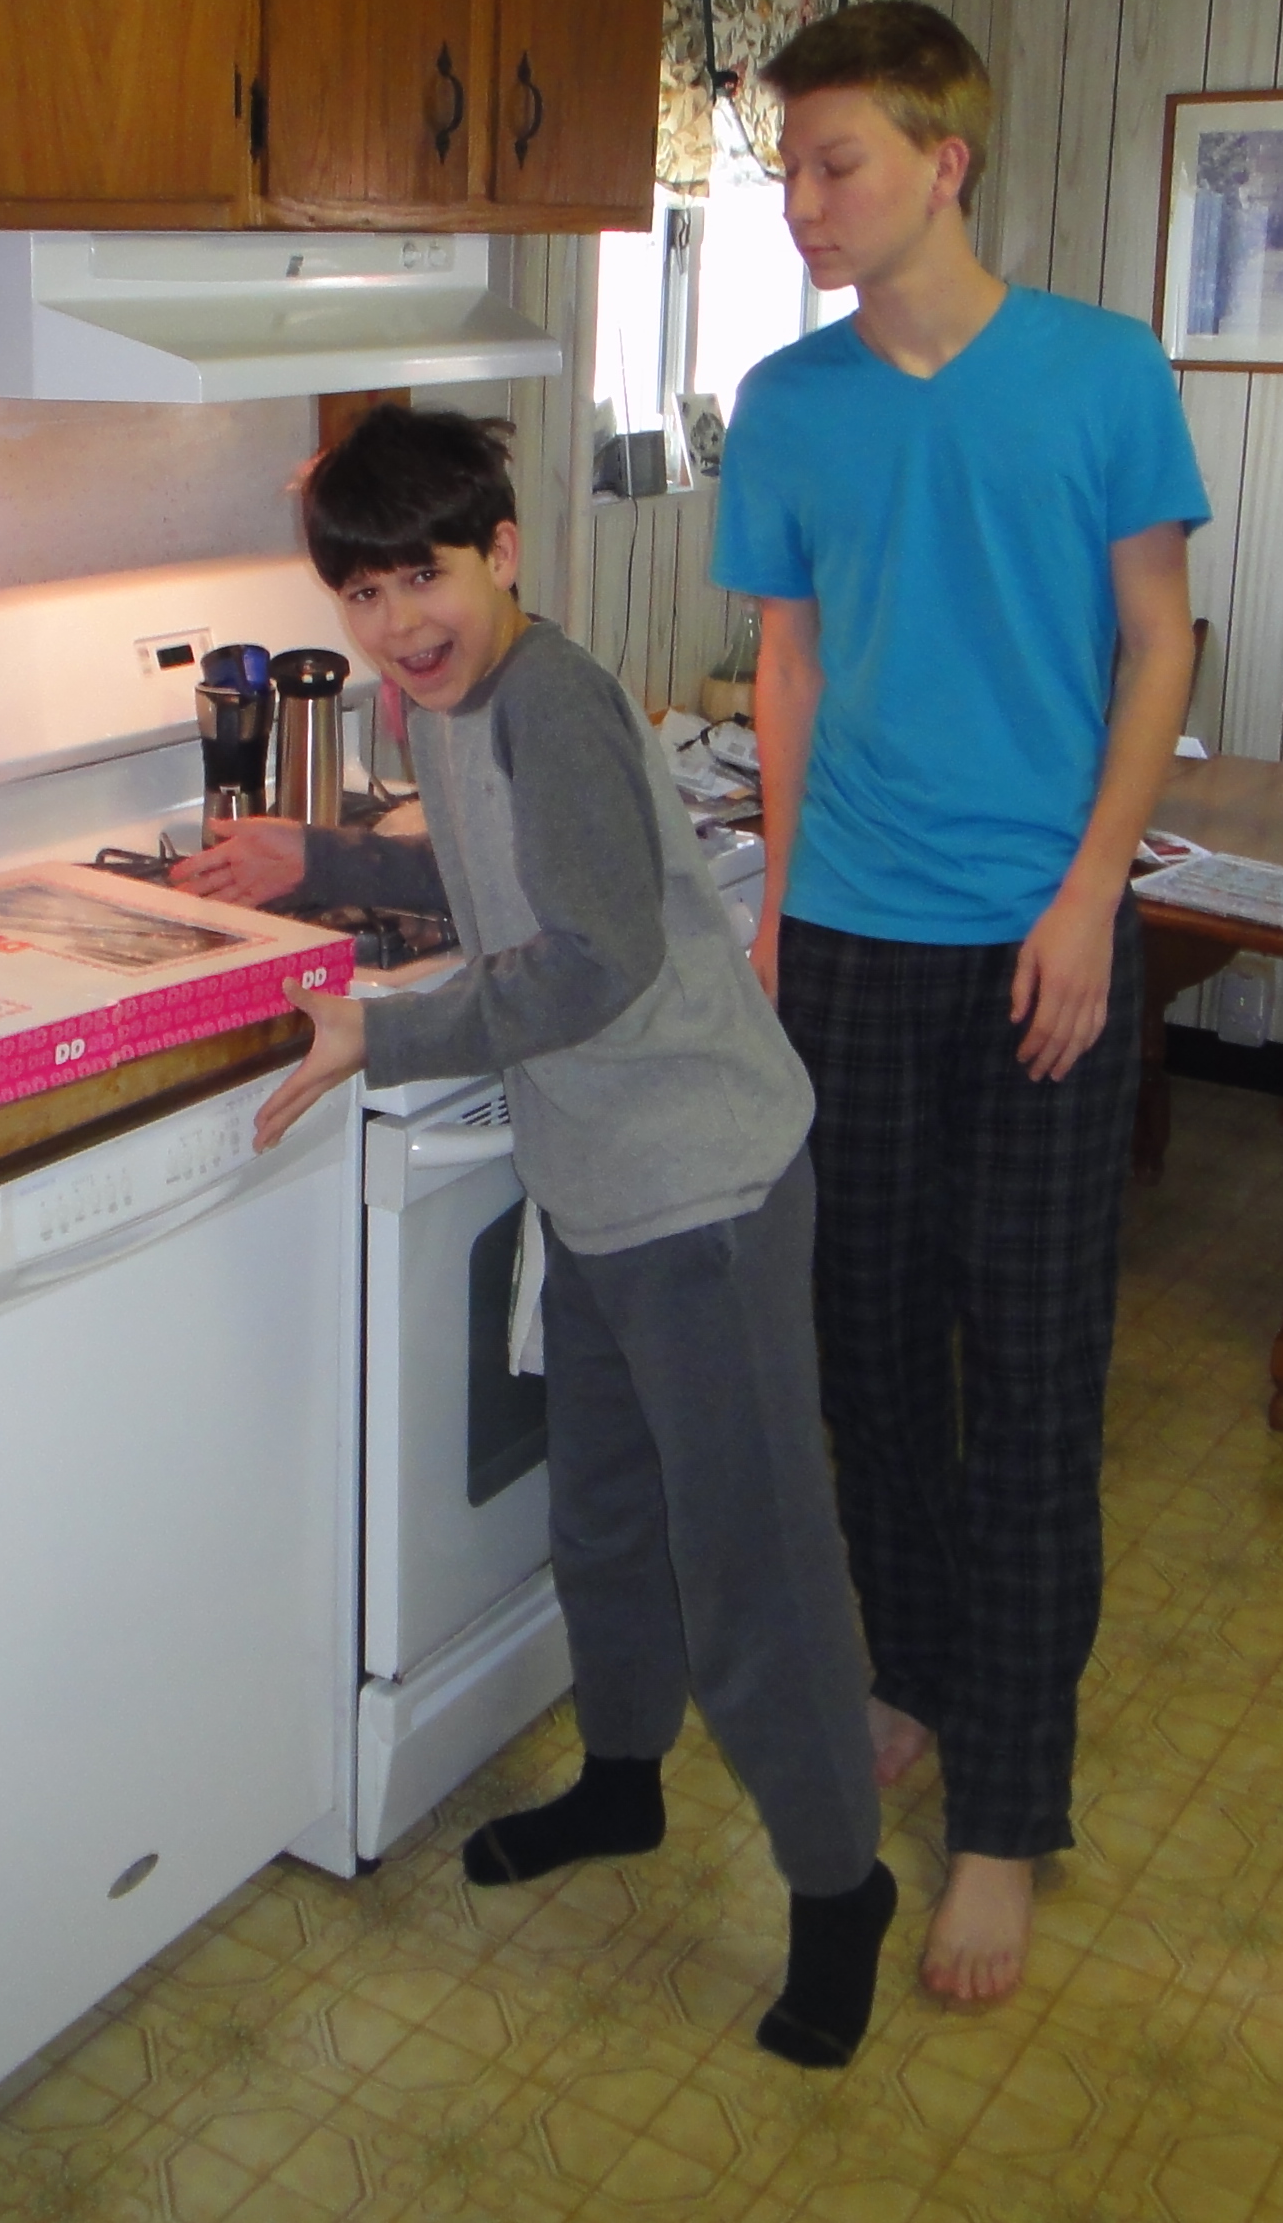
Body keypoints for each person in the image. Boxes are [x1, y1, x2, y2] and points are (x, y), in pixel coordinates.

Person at [175, 408, 901, 2069]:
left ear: (501, 554)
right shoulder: (448, 698)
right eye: (361, 594)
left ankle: (836, 1881)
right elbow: (496, 881)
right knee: (609, 1512)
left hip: (705, 1191)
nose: (394, 623)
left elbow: (595, 961)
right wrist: (316, 857)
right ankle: (627, 1782)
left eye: (421, 578)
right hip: (601, 1185)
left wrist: (383, 1035)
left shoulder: (552, 702)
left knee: (757, 1564)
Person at [715, 0, 1206, 2008]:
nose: (805, 204)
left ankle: (1006, 1811)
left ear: (947, 162)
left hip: (1038, 946)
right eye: (790, 171)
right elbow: (789, 668)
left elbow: (1159, 642)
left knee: (1031, 1389)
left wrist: (1091, 894)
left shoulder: (1100, 371)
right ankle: (911, 1669)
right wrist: (778, 909)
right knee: (866, 1356)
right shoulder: (787, 400)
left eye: (836, 164)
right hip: (847, 937)